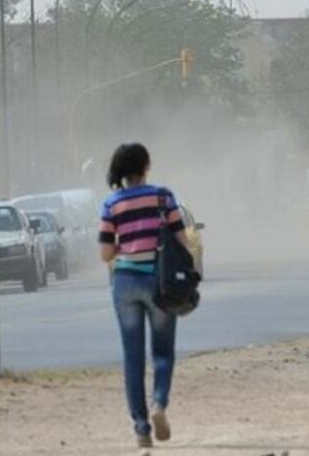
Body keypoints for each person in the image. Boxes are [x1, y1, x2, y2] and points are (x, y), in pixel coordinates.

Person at [99, 143, 188, 449]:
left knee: (132, 357)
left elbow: (105, 253)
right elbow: (182, 240)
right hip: (158, 283)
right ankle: (159, 403)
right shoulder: (163, 197)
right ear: (146, 165)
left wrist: (124, 246)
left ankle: (141, 428)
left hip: (125, 282)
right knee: (162, 352)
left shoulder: (111, 203)